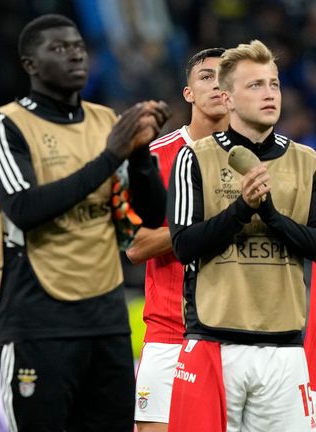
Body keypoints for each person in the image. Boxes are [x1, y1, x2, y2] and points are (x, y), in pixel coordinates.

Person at [0, 14, 171, 431]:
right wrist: (111, 156)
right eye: (59, 49)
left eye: (78, 46)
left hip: (107, 321)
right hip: (37, 322)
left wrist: (138, 155)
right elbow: (24, 208)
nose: (75, 54)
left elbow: (152, 216)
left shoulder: (107, 122)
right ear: (29, 63)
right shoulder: (4, 123)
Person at [168, 40, 316, 431]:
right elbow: (184, 245)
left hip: (284, 350)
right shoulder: (194, 157)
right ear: (228, 97)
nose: (269, 94)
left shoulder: (308, 162)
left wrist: (269, 214)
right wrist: (241, 211)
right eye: (255, 86)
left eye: (274, 84)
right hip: (215, 346)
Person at [126, 47, 229, 432]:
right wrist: (204, 224)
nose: (216, 83)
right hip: (171, 334)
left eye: (225, 75)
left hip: (238, 338)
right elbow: (135, 246)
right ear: (187, 93)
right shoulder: (155, 157)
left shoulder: (262, 160)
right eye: (206, 76)